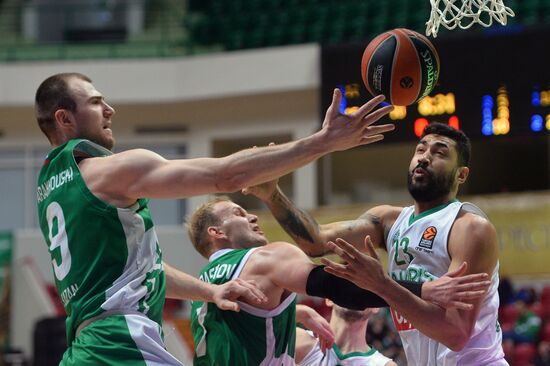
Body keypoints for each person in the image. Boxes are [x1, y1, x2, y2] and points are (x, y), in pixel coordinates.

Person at [34, 72, 395, 365]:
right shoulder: (109, 172)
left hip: (86, 348)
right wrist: (322, 142)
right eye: (96, 103)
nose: (109, 109)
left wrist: (210, 291)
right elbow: (226, 176)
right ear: (64, 118)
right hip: (120, 345)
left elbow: (147, 271)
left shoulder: (51, 187)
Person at [244, 122, 506, 365]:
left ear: (461, 175)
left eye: (440, 153)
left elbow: (456, 334)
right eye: (420, 149)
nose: (424, 157)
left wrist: (381, 284)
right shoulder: (388, 220)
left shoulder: (470, 227)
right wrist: (273, 195)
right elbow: (316, 242)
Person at [186, 197, 490, 365]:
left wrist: (294, 313)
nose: (252, 216)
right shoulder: (266, 258)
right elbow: (336, 285)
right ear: (217, 233)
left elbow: (243, 334)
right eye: (239, 213)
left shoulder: (205, 288)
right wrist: (423, 289)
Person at [295, 299, 396, 366]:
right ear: (329, 299)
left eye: (363, 288)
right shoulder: (299, 340)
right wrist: (300, 313)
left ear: (376, 306)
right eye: (346, 286)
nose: (353, 294)